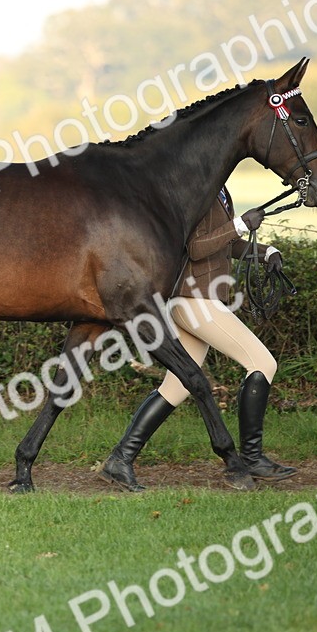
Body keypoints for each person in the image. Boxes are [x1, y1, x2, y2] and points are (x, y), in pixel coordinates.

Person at [100, 185, 297, 491]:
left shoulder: (221, 191)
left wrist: (266, 252)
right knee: (262, 363)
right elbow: (195, 248)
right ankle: (252, 458)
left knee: (176, 386)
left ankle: (119, 460)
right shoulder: (198, 193)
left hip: (194, 302)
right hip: (196, 302)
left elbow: (226, 246)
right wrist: (240, 224)